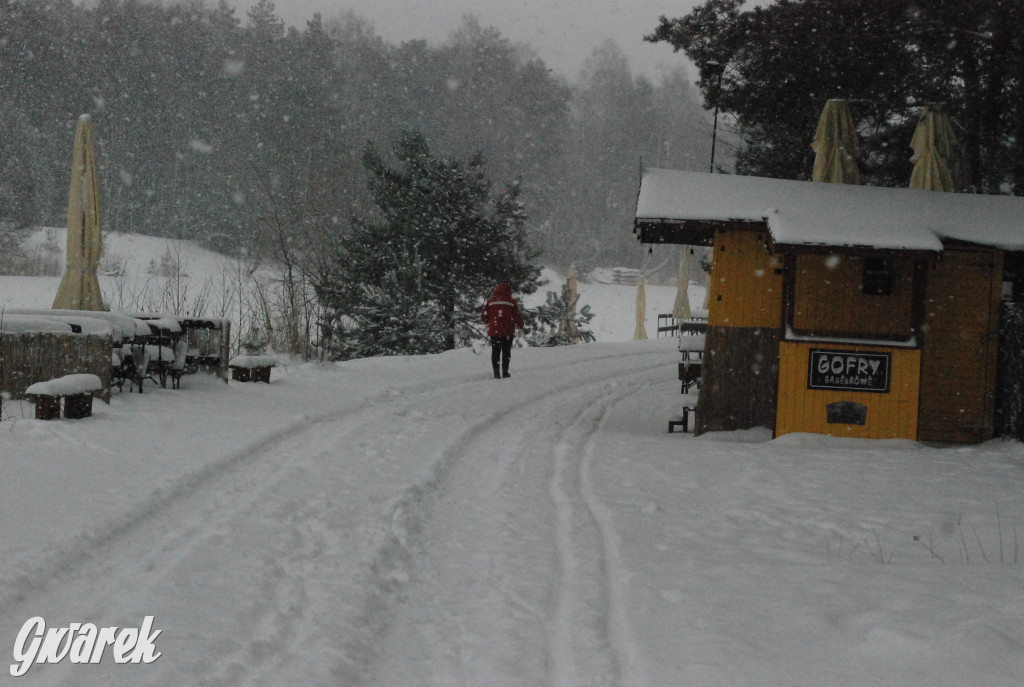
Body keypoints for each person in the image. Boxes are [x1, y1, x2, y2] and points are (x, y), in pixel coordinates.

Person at [482, 281, 524, 379]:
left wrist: (488, 322)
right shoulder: (511, 302)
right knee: (506, 352)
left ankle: (496, 373)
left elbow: (484, 315)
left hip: (494, 331)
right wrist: (520, 325)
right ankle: (505, 372)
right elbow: (517, 315)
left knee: (495, 351)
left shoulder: (490, 301)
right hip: (507, 331)